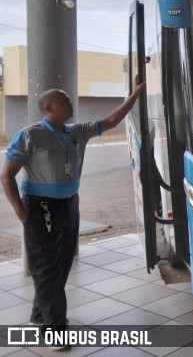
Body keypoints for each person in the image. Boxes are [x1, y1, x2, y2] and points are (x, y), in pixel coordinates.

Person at [0, 84, 144, 342]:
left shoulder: (77, 131)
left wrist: (133, 96)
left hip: (69, 204)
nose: (71, 103)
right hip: (40, 206)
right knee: (46, 268)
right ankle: (54, 330)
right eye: (64, 101)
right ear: (48, 109)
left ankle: (39, 315)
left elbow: (111, 120)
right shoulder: (29, 135)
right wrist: (22, 213)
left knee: (63, 263)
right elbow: (7, 176)